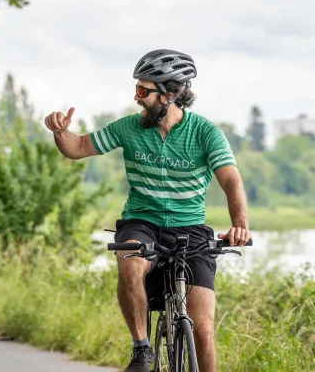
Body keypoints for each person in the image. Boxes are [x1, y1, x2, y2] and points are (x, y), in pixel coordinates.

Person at [44, 49, 251, 372]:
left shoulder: (205, 133)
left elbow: (231, 180)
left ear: (170, 94)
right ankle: (142, 348)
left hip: (190, 227)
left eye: (143, 91)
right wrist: (60, 132)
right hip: (141, 221)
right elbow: (78, 147)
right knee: (130, 261)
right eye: (136, 90)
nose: (137, 98)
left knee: (204, 328)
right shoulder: (129, 127)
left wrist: (240, 224)